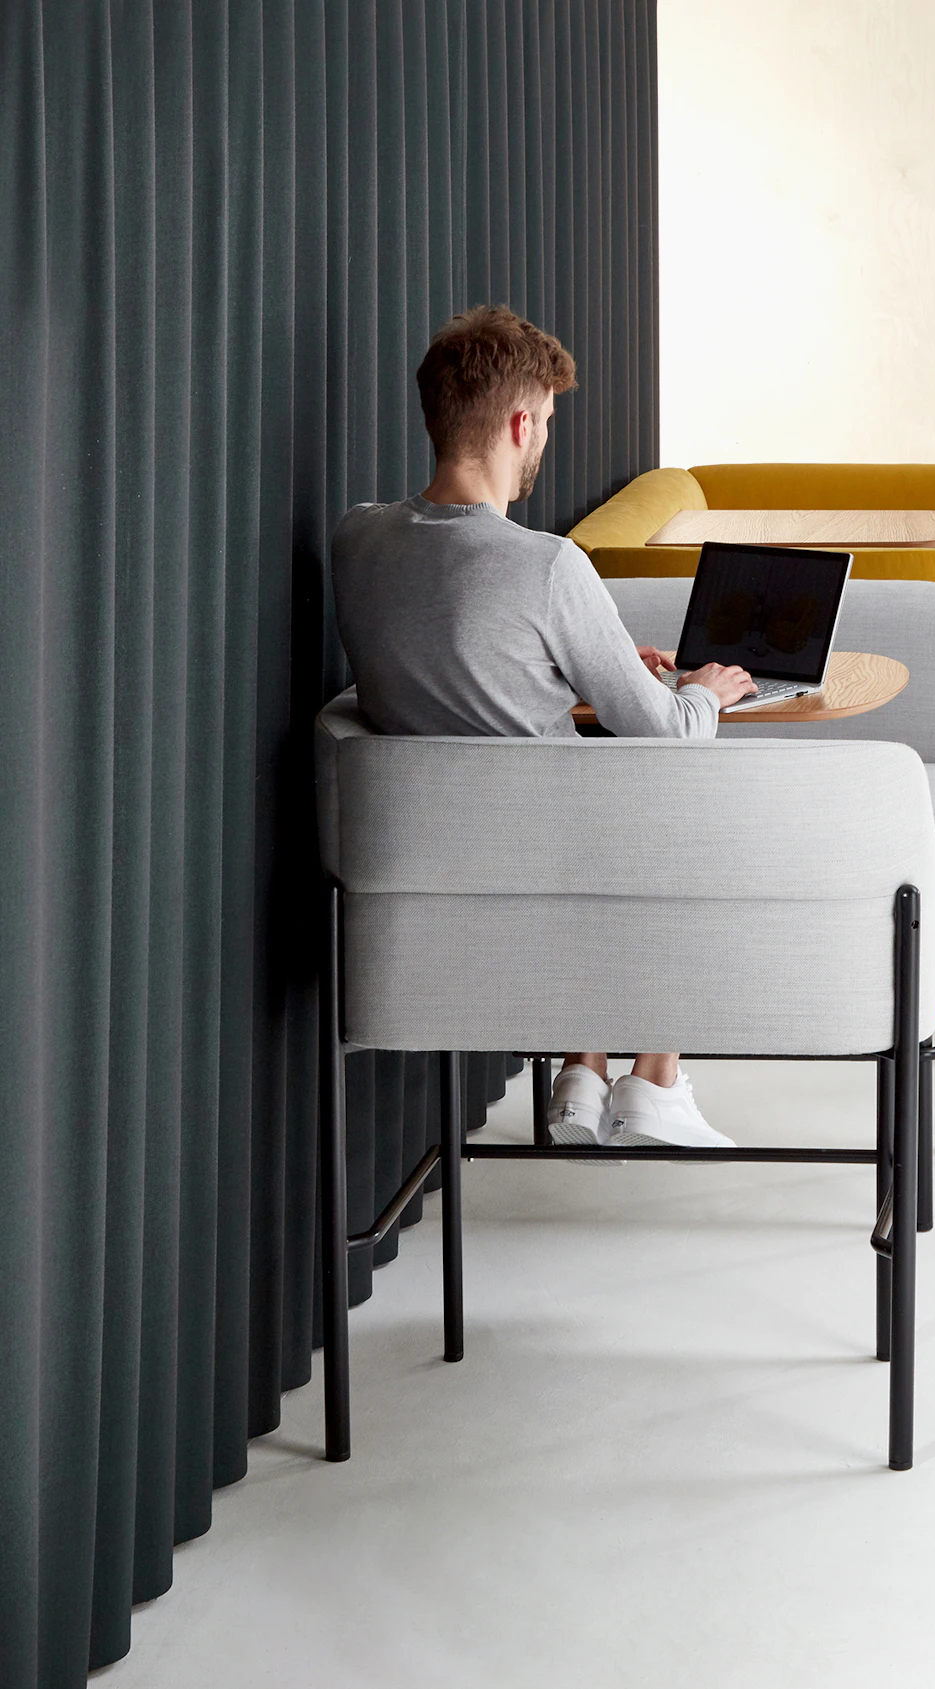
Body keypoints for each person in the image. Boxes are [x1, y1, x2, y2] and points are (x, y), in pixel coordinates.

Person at [331, 305, 758, 1149]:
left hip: (427, 886)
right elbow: (669, 731)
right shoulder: (547, 564)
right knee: (685, 786)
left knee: (566, 785)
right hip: (566, 884)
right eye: (547, 423)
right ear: (518, 422)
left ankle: (583, 1068)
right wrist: (704, 687)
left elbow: (461, 689)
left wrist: (571, 669)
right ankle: (657, 1079)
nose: (544, 442)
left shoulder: (357, 540)